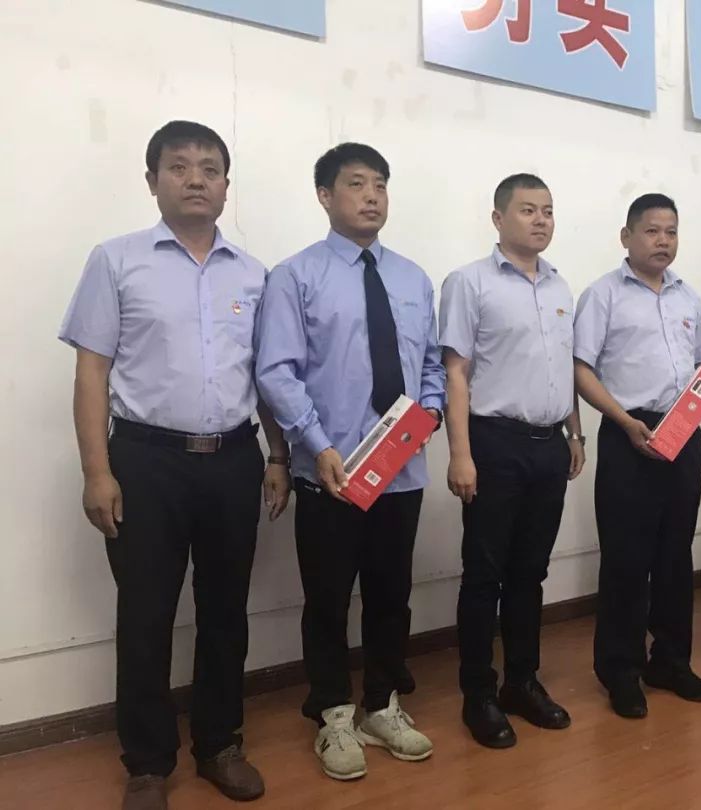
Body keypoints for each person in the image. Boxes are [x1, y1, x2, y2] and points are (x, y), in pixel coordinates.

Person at [59, 120, 290, 810]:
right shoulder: (116, 260)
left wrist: (278, 453)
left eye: (210, 168)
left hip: (233, 459)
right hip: (145, 462)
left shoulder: (254, 273)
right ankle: (148, 763)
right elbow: (92, 372)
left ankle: (220, 744)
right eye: (180, 166)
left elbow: (266, 375)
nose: (196, 179)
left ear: (226, 185)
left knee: (225, 611)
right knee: (146, 614)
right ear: (152, 179)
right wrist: (97, 471)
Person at [255, 143, 445, 779]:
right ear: (325, 196)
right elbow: (276, 371)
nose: (372, 196)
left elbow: (428, 364)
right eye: (357, 184)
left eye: (381, 185)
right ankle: (333, 713)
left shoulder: (413, 278)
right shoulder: (296, 276)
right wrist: (317, 444)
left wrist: (431, 413)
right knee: (328, 600)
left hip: (401, 472)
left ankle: (382, 706)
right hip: (330, 474)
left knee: (392, 596)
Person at [439, 173, 586, 748]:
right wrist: (460, 453)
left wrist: (575, 432)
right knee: (484, 576)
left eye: (548, 210)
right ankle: (478, 694)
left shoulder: (559, 285)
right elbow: (456, 373)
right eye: (528, 209)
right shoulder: (469, 282)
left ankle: (522, 682)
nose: (541, 219)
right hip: (494, 443)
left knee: (530, 573)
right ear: (498, 218)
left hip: (550, 445)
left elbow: (562, 367)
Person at [573, 193, 701, 718]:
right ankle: (621, 669)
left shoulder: (687, 297)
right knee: (627, 559)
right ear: (627, 236)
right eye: (652, 231)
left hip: (683, 433)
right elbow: (581, 369)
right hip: (627, 431)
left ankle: (671, 661)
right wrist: (623, 420)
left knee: (676, 555)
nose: (663, 241)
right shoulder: (603, 295)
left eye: (671, 232)